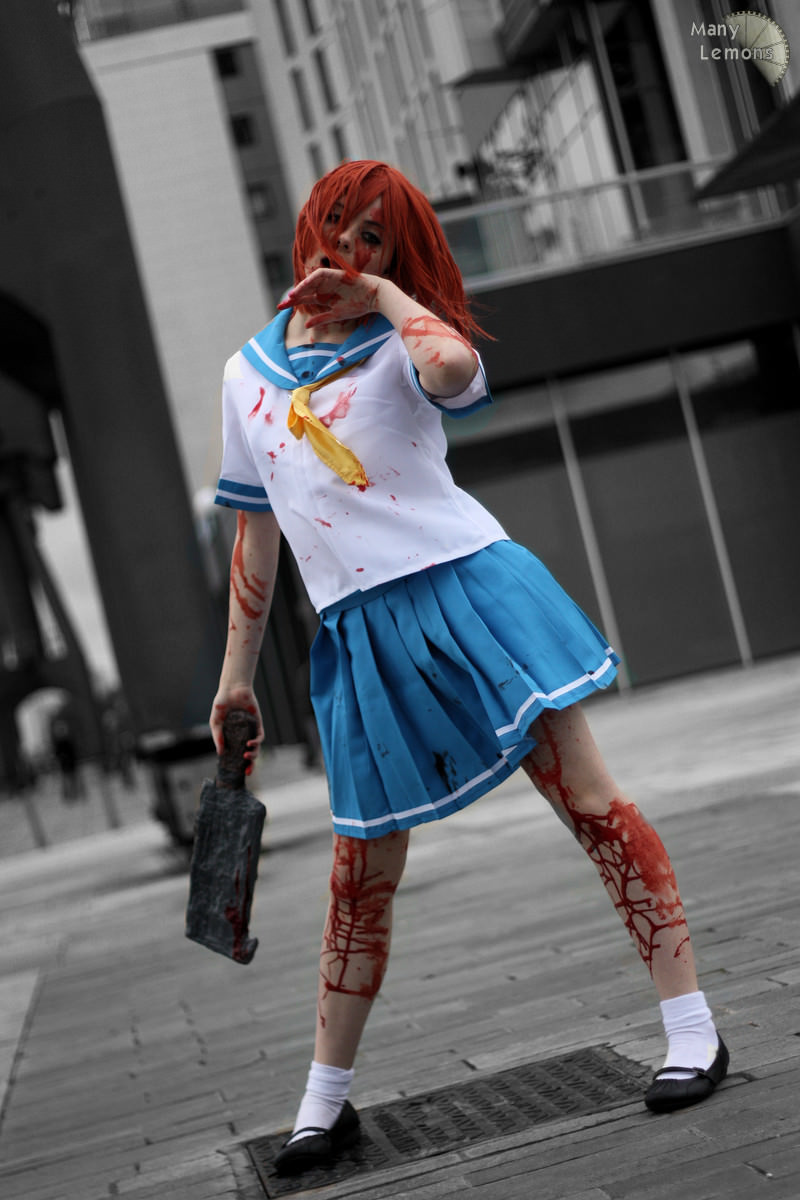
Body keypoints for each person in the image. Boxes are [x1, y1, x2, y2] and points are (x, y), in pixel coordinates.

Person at [209, 160, 728, 1176]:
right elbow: (254, 535)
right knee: (360, 875)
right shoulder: (243, 374)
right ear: (307, 221)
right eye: (338, 224)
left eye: (373, 236)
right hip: (358, 633)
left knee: (590, 804)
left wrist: (384, 295)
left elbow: (452, 372)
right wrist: (236, 679)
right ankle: (323, 1103)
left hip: (467, 594)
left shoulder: (401, 337)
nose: (347, 247)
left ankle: (692, 1029)